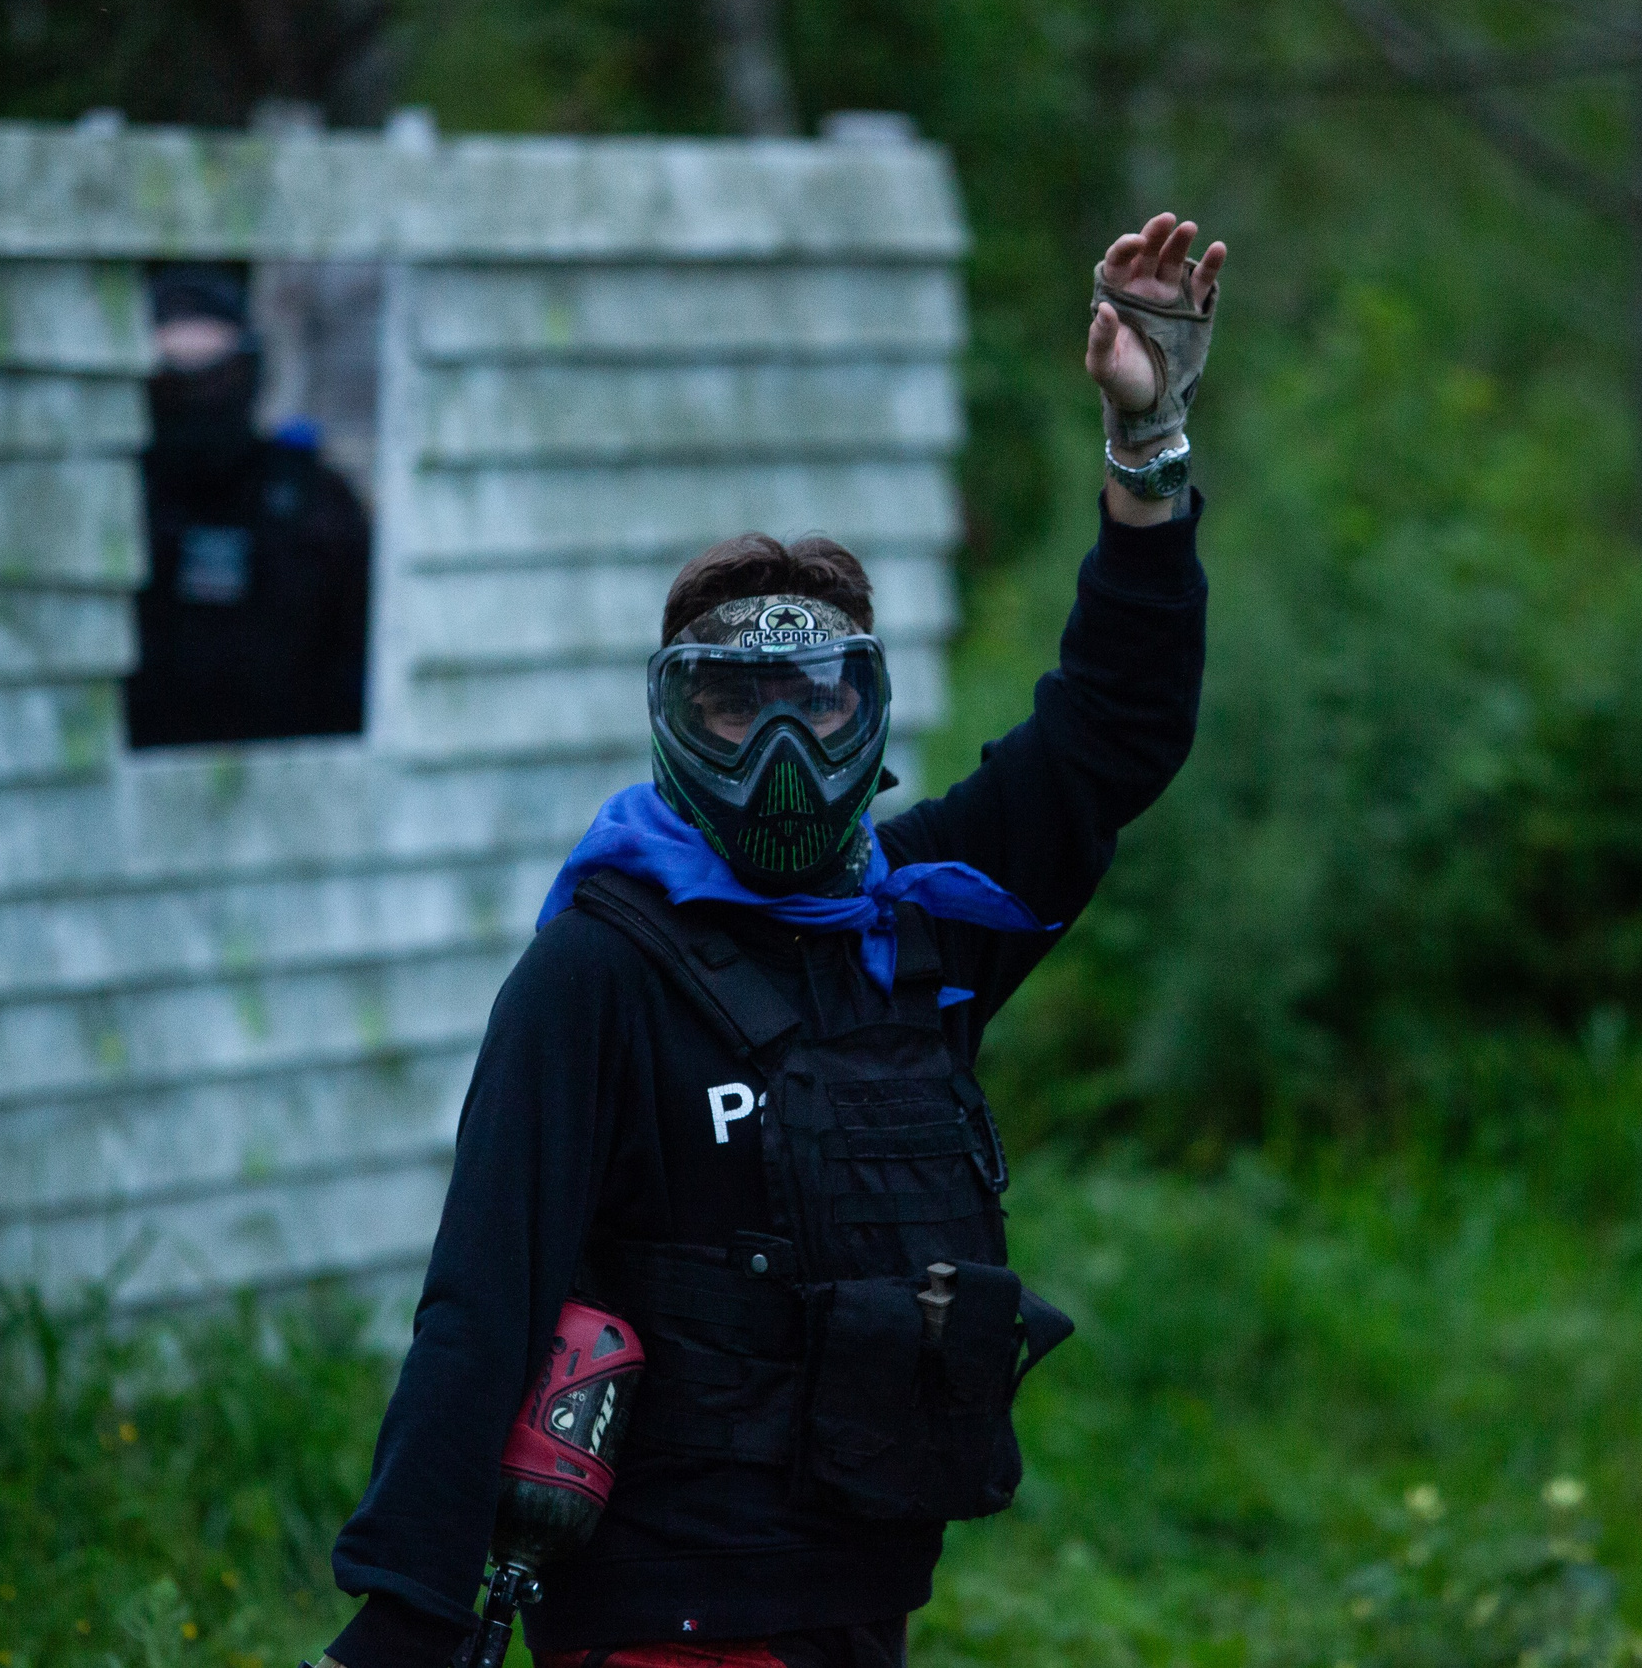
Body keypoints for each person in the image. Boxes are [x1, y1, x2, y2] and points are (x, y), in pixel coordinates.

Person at [318, 211, 1227, 1668]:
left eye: (818, 702)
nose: (782, 754)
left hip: (855, 1598)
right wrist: (404, 1613)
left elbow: (1113, 731)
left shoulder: (922, 920)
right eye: (736, 710)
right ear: (678, 727)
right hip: (655, 1614)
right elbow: (481, 1299)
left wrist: (1149, 446)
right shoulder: (600, 970)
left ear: (868, 718)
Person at [124, 265, 372, 748]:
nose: (197, 399)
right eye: (174, 380)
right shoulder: (115, 501)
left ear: (249, 374)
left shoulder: (314, 502)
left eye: (216, 375)